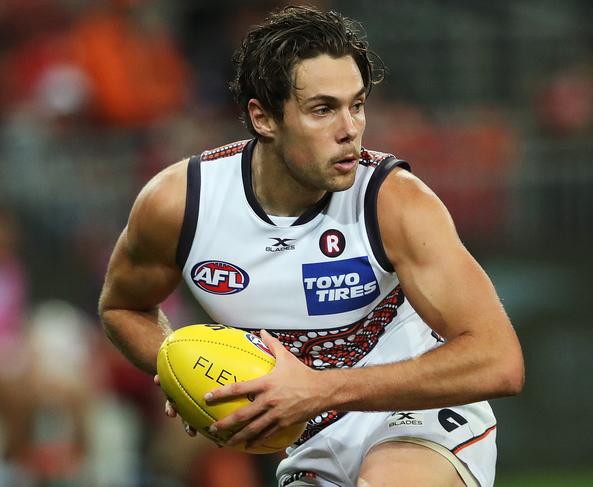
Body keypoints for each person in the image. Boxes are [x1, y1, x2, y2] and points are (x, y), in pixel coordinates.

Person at [98, 6, 525, 487]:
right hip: (308, 440)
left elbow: (499, 360)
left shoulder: (393, 201)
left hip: (418, 418)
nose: (350, 129)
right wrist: (176, 367)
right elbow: (122, 307)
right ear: (263, 117)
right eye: (323, 109)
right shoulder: (181, 203)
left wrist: (320, 389)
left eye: (357, 105)